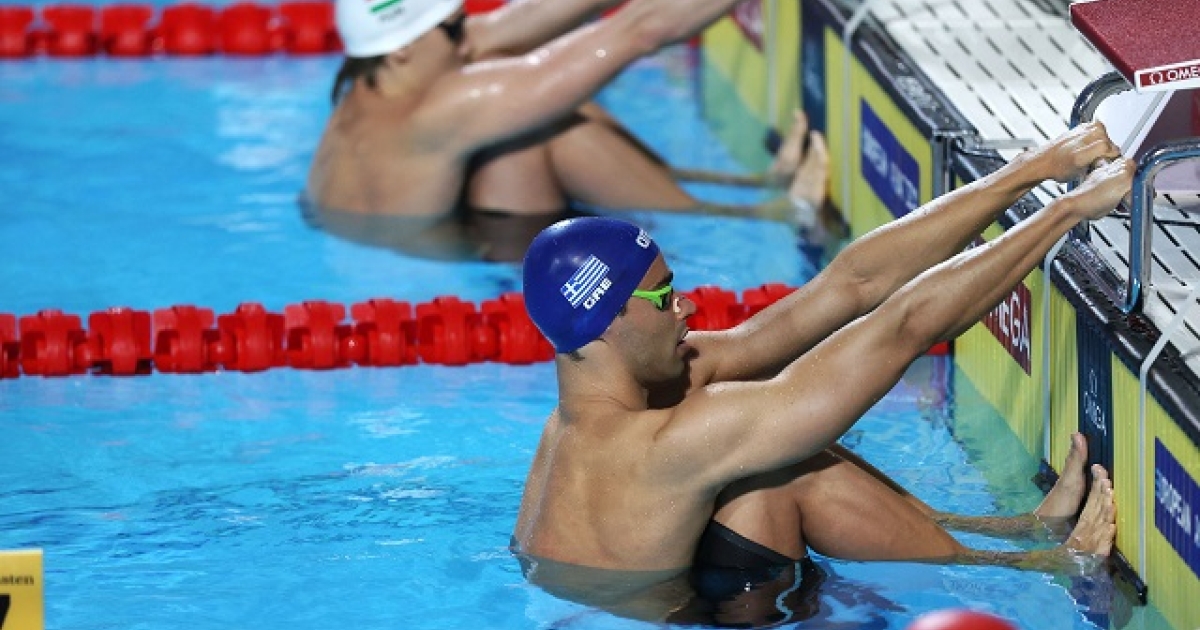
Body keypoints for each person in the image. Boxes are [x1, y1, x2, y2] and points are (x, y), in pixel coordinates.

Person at [511, 121, 1133, 624]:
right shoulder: (660, 447)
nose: (688, 306)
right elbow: (901, 330)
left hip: (675, 602)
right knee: (783, 460)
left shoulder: (582, 421)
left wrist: (1034, 168)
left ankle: (1016, 530)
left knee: (769, 449)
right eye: (663, 296)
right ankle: (1038, 566)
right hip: (701, 615)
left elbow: (850, 285)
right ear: (608, 319)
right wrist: (1068, 211)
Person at [302, 0, 831, 261]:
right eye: (454, 26)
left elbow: (519, 22)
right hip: (490, 265)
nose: (469, 34)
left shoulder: (371, 84)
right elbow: (639, 33)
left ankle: (748, 185)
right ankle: (763, 214)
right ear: (400, 49)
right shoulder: (440, 111)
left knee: (523, 90)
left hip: (459, 231)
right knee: (541, 122)